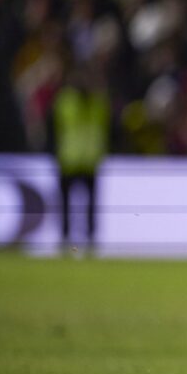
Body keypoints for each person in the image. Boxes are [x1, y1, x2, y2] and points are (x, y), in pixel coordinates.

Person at [52, 67, 111, 251]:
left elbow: (106, 128)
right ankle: (64, 237)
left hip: (89, 160)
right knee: (66, 203)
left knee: (91, 204)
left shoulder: (97, 102)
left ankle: (91, 238)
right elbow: (54, 129)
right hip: (69, 160)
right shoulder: (67, 101)